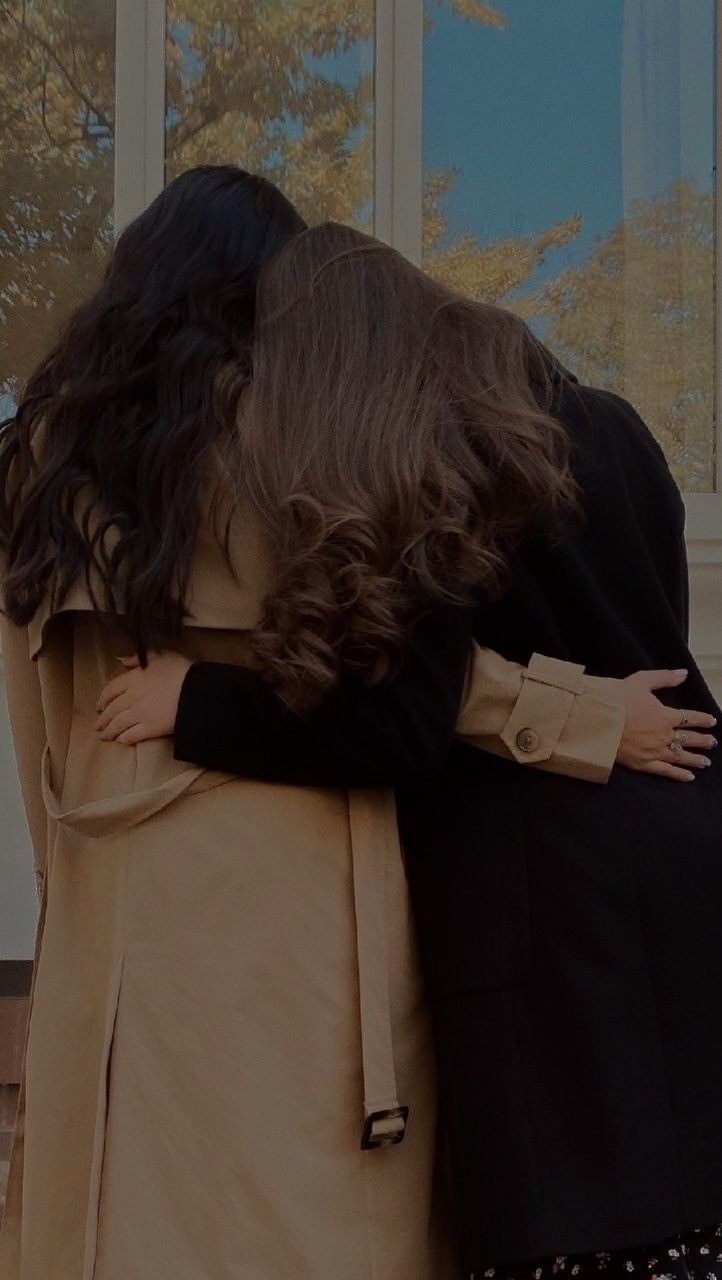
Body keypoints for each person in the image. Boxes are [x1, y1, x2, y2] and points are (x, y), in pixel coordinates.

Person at [0, 181, 712, 1280]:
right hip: (301, 907)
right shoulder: (282, 439)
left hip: (112, 920)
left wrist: (76, 893)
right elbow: (392, 673)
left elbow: (39, 743)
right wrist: (580, 714)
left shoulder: (34, 472)